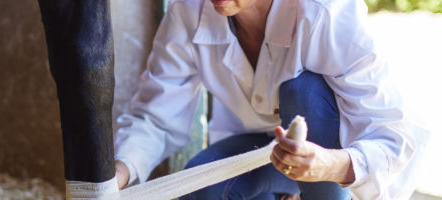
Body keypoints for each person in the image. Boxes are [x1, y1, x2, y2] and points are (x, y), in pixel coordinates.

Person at [112, 0, 419, 199]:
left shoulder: (327, 11)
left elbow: (391, 137)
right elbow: (155, 113)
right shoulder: (189, 11)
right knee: (202, 190)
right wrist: (117, 172)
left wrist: (329, 165)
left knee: (302, 91)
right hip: (261, 151)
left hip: (337, 162)